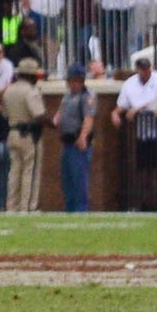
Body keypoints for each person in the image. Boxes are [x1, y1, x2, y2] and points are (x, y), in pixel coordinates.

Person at [118, 52, 157, 210]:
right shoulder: (130, 83)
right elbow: (122, 104)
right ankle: (144, 202)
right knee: (142, 170)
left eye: (148, 69)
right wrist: (116, 113)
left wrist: (137, 109)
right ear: (137, 70)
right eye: (143, 70)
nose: (146, 72)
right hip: (140, 134)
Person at [2, 56, 47, 212]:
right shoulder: (31, 91)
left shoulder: (9, 90)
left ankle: (11, 206)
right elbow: (39, 115)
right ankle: (27, 207)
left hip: (12, 132)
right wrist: (52, 123)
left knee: (14, 171)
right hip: (28, 135)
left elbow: (5, 114)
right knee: (30, 170)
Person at [56, 67, 95, 213]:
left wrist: (83, 136)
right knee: (67, 178)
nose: (71, 84)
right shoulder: (67, 96)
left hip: (78, 142)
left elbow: (88, 118)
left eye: (74, 81)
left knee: (79, 178)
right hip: (66, 141)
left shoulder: (86, 96)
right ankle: (70, 207)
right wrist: (56, 120)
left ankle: (81, 209)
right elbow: (61, 112)